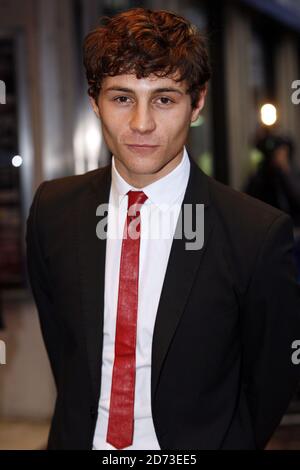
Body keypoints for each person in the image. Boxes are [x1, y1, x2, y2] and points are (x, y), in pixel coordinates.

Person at [26, 7, 300, 450]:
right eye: (122, 98)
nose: (142, 124)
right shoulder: (53, 210)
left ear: (198, 103)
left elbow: (272, 374)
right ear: (94, 101)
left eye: (164, 99)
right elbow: (66, 350)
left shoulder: (255, 232)